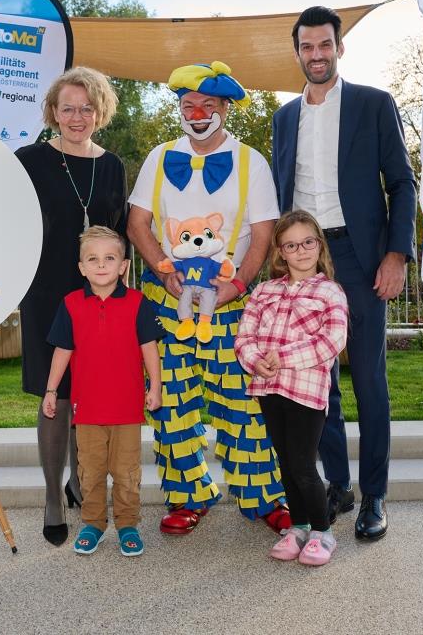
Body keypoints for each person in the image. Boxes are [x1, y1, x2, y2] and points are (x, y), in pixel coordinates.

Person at [271, 6, 416, 541]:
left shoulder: (374, 105)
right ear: (297, 52)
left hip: (360, 257)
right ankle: (338, 485)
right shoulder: (284, 118)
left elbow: (402, 183)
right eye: (307, 47)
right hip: (306, 262)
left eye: (324, 45)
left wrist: (396, 254)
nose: (316, 55)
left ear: (339, 47)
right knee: (317, 384)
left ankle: (375, 495)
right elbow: (283, 194)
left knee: (370, 382)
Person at [127, 61, 291, 535]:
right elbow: (138, 224)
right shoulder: (159, 157)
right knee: (172, 403)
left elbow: (263, 233)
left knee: (242, 403)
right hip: (167, 305)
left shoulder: (250, 161)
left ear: (224, 109)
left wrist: (237, 284)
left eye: (207, 105)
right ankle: (187, 497)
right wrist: (162, 266)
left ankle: (261, 497)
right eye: (188, 105)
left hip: (228, 305)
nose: (197, 113)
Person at [15, 67, 127, 546]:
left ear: (99, 111)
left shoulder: (115, 166)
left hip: (97, 298)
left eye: (86, 107)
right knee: (55, 395)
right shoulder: (28, 160)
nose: (77, 117)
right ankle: (51, 497)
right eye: (67, 108)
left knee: (92, 394)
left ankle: (81, 482)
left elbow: (120, 234)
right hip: (44, 295)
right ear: (52, 112)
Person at [235, 210, 348, 566]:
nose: (301, 251)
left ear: (319, 244)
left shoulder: (330, 292)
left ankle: (322, 532)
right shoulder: (265, 291)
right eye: (291, 245)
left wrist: (281, 357)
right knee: (285, 462)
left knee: (302, 463)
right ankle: (297, 527)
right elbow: (245, 336)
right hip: (269, 388)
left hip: (306, 389)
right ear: (281, 252)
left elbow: (332, 340)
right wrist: (255, 361)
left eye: (308, 242)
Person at [43, 226, 163, 556]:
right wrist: (51, 390)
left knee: (126, 474)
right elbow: (62, 352)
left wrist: (156, 385)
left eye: (109, 258)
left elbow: (149, 348)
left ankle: (128, 525)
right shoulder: (71, 304)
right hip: (89, 411)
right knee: (90, 473)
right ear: (81, 267)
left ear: (123, 265)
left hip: (126, 410)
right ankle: (93, 524)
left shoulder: (138, 304)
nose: (100, 265)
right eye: (92, 259)